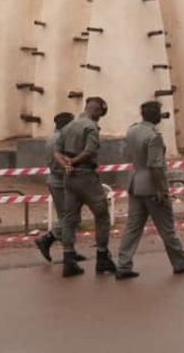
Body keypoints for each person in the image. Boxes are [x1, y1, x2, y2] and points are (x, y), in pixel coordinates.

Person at [115, 100, 184, 280]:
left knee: (133, 227)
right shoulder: (154, 137)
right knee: (167, 228)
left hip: (135, 182)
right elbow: (155, 166)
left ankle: (123, 264)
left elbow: (126, 155)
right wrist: (163, 189)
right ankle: (181, 263)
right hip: (152, 187)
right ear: (156, 115)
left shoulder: (132, 130)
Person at [55, 96, 116, 278]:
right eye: (100, 114)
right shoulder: (90, 127)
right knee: (102, 215)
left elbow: (56, 151)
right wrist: (74, 162)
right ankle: (102, 257)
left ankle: (68, 259)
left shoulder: (68, 126)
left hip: (69, 178)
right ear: (97, 110)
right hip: (86, 177)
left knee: (69, 218)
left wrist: (66, 165)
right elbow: (90, 151)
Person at [34, 112, 87, 263]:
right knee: (72, 218)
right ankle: (47, 239)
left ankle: (69, 251)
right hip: (63, 181)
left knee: (65, 216)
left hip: (55, 179)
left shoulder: (52, 138)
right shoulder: (63, 140)